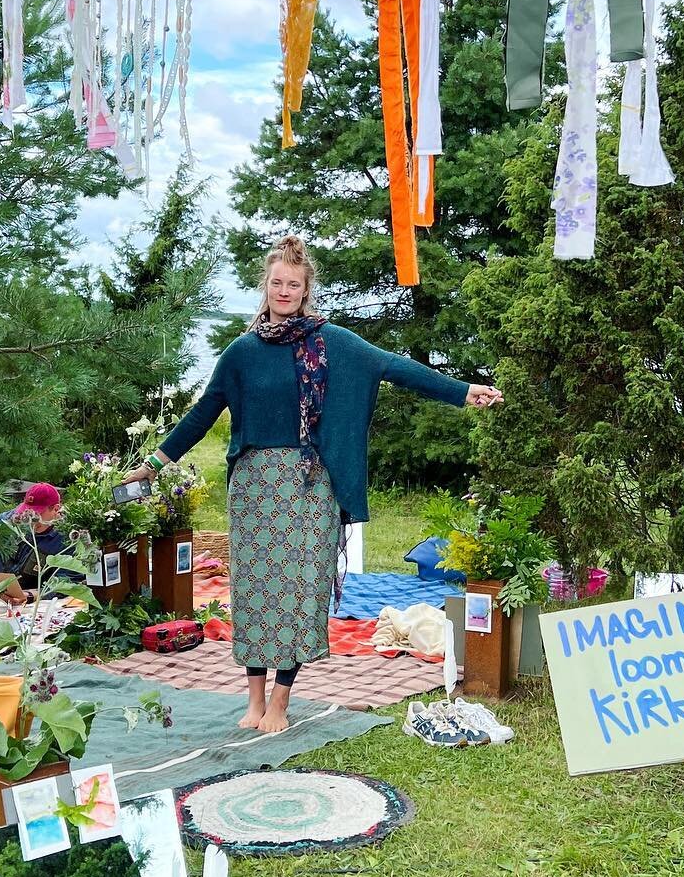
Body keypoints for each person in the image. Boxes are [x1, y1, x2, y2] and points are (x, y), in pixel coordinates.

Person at [126, 234, 502, 734]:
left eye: (294, 285)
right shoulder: (241, 353)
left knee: (301, 592)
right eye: (277, 283)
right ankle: (254, 698)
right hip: (255, 487)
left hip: (310, 486)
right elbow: (202, 413)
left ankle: (281, 701)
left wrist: (462, 391)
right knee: (256, 591)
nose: (284, 291)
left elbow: (395, 367)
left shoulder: (332, 344)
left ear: (306, 291)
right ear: (266, 287)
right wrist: (154, 462)